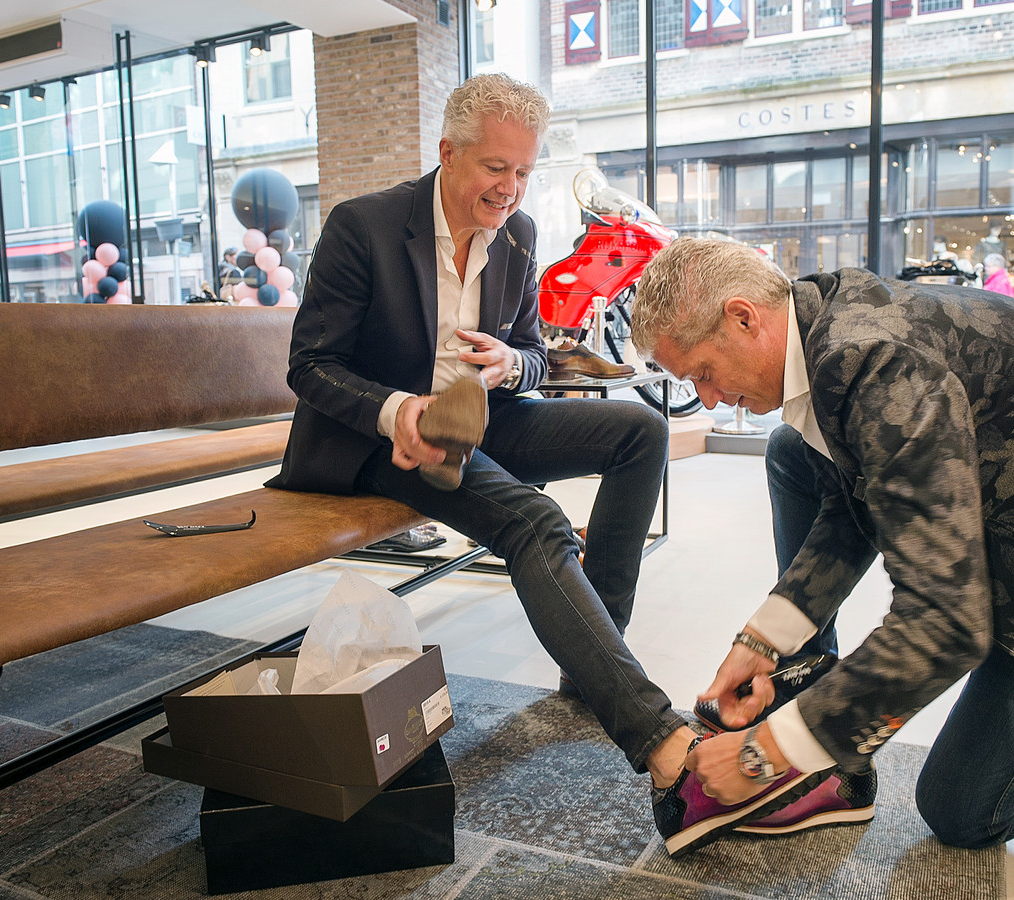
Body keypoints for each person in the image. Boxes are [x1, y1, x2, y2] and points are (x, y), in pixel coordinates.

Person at [266, 76, 822, 855]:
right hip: (383, 437)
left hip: (482, 416)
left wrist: (508, 365)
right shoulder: (363, 227)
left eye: (524, 172)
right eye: (496, 167)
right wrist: (401, 410)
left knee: (638, 432)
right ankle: (663, 747)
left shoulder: (519, 235)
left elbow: (534, 354)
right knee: (535, 519)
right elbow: (310, 367)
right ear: (447, 153)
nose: (510, 188)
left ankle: (594, 664)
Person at [630, 236, 1014, 852]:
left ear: (744, 317)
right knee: (794, 451)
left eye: (704, 374)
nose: (706, 400)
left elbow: (948, 619)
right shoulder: (822, 318)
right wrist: (765, 642)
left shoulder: (872, 362)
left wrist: (768, 755)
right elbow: (859, 506)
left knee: (963, 810)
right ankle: (820, 713)